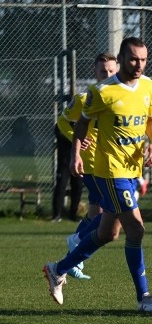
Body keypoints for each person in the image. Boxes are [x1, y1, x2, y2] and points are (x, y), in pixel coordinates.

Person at [42, 36, 152, 313]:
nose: (139, 65)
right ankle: (144, 297)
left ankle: (57, 269)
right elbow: (82, 122)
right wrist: (76, 152)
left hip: (132, 169)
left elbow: (151, 119)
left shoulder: (148, 86)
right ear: (121, 59)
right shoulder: (103, 92)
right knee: (136, 229)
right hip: (111, 170)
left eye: (143, 59)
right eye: (134, 59)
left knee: (108, 233)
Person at [58, 52, 119, 280]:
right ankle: (76, 244)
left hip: (111, 163)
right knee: (108, 214)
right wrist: (77, 138)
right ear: (95, 72)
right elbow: (62, 121)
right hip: (93, 164)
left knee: (96, 213)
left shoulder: (120, 96)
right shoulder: (86, 98)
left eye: (112, 71)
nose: (108, 74)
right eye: (104, 71)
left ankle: (75, 258)